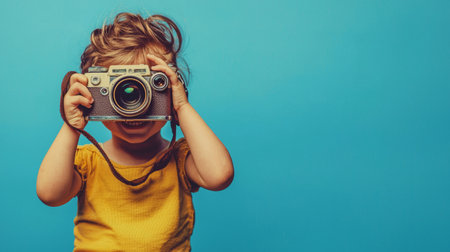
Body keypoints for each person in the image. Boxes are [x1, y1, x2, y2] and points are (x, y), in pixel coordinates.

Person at [36, 12, 234, 251]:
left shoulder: (180, 158)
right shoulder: (88, 161)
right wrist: (72, 126)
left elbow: (220, 176)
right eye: (120, 89)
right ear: (94, 93)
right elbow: (49, 195)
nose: (134, 108)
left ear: (170, 88)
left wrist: (181, 106)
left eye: (149, 86)